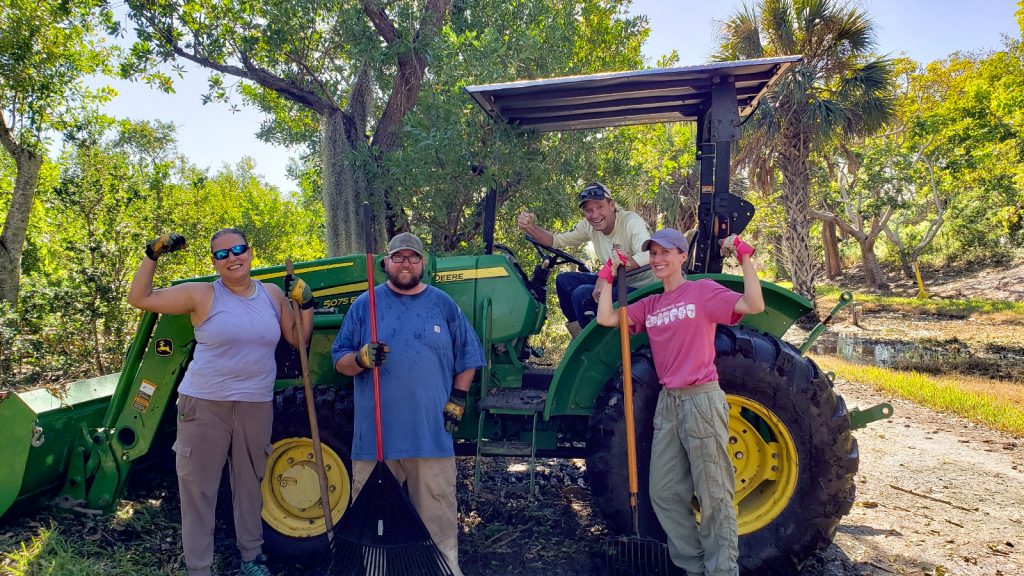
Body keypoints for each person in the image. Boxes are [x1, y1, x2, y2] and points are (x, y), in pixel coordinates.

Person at [128, 228, 315, 576]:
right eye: (222, 254)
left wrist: (305, 305)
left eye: (239, 250)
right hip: (204, 403)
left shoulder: (272, 294)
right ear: (213, 262)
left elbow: (297, 339)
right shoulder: (201, 294)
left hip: (254, 403)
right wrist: (151, 255)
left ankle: (251, 557)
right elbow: (141, 298)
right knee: (199, 488)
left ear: (250, 253)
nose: (232, 258)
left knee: (251, 483)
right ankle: (200, 568)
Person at [596, 228, 764, 576]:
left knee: (714, 493)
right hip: (668, 404)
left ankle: (721, 570)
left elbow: (753, 304)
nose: (658, 260)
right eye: (653, 254)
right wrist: (608, 275)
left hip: (701, 400)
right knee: (664, 493)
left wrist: (745, 257)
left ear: (682, 257)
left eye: (665, 253)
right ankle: (693, 566)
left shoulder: (701, 292)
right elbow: (606, 318)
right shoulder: (651, 304)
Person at [331, 232, 484, 576]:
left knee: (438, 513)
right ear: (385, 262)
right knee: (373, 519)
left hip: (430, 436)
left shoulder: (443, 304)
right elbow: (339, 361)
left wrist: (457, 399)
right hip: (375, 440)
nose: (405, 264)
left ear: (423, 263)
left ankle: (446, 569)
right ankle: (375, 571)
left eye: (412, 257)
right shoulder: (365, 304)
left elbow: (469, 356)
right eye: (398, 257)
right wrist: (360, 358)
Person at [517, 182, 654, 336]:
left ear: (612, 205)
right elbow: (555, 241)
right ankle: (579, 335)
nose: (594, 214)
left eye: (600, 207)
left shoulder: (630, 221)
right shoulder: (589, 226)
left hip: (643, 290)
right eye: (588, 210)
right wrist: (530, 227)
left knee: (582, 294)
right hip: (617, 283)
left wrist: (607, 274)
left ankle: (595, 347)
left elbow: (647, 255)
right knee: (564, 280)